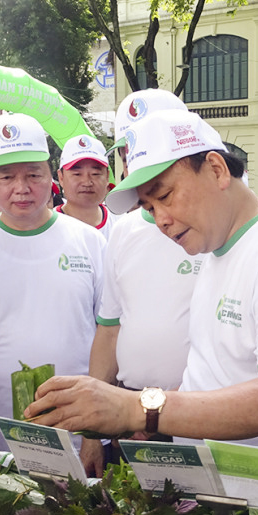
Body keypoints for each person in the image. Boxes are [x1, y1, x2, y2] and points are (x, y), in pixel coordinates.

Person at [26, 109, 258, 496]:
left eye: (165, 196)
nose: (161, 220)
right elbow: (216, 368)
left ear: (216, 169)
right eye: (149, 208)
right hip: (229, 494)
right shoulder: (214, 252)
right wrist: (156, 422)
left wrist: (138, 408)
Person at [0, 113, 105, 452]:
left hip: (80, 424)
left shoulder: (90, 242)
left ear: (50, 173)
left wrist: (95, 435)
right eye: (6, 176)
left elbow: (108, 335)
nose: (22, 188)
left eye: (33, 174)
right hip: (0, 428)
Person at [81, 90, 202, 477]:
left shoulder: (211, 233)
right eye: (127, 151)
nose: (136, 161)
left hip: (199, 415)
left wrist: (160, 414)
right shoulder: (123, 231)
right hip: (129, 413)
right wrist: (91, 433)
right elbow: (109, 329)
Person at [56, 135, 117, 238]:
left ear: (107, 177)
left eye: (95, 174)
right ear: (61, 178)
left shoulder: (121, 226)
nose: (87, 182)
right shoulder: (45, 227)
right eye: (77, 174)